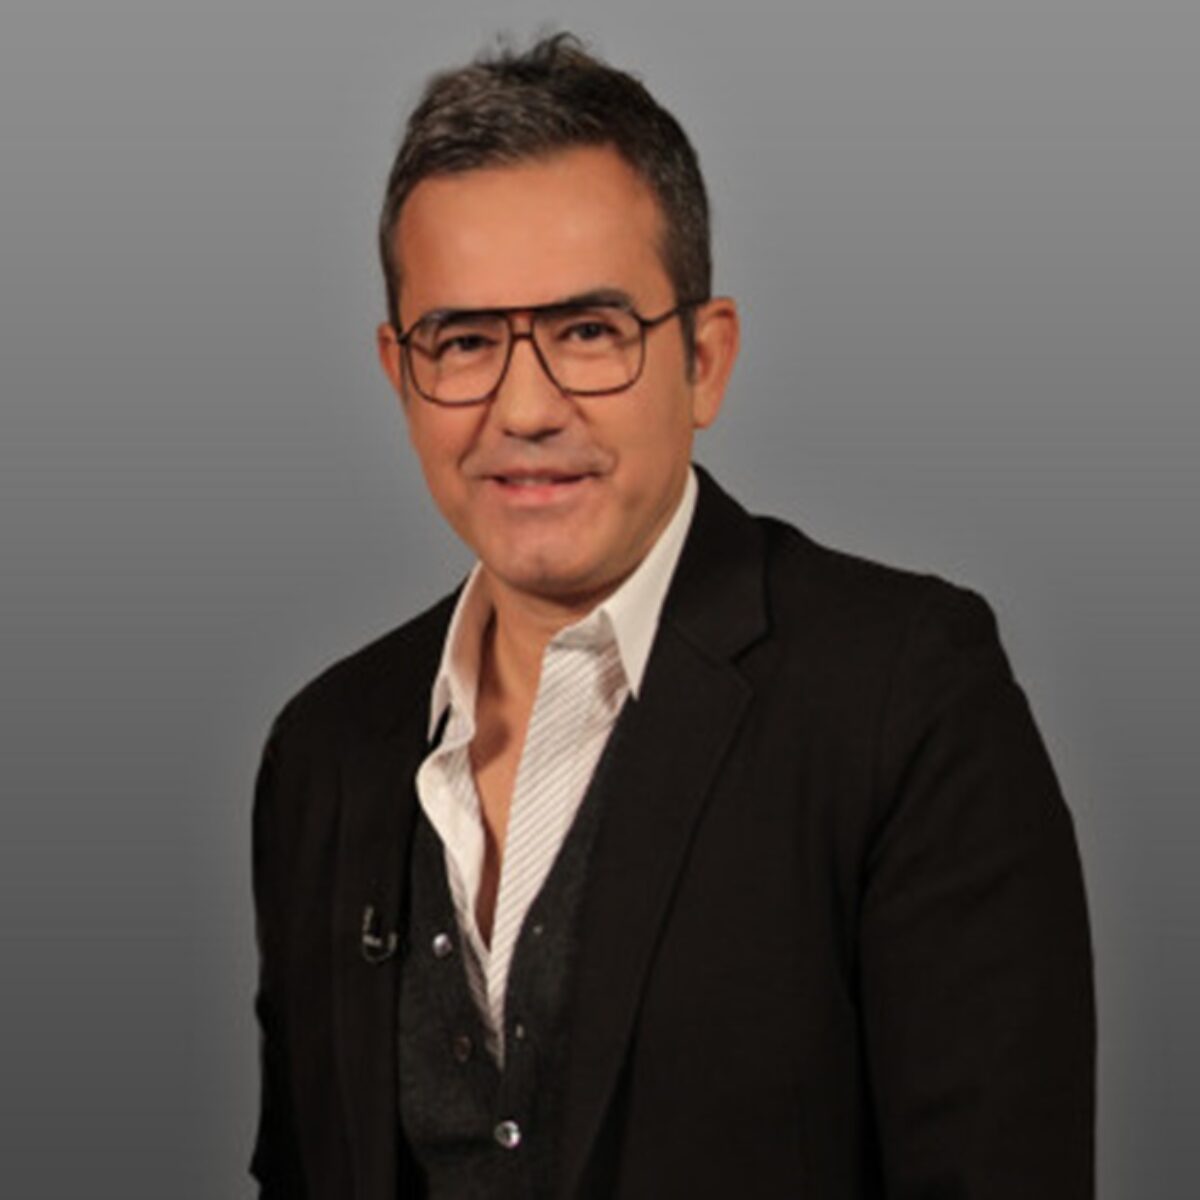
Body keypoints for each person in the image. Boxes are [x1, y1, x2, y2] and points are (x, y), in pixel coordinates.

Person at [250, 32, 1094, 1199]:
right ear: (402, 374)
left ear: (704, 360)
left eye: (589, 332)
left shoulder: (906, 697)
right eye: (467, 342)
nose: (526, 407)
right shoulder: (325, 750)